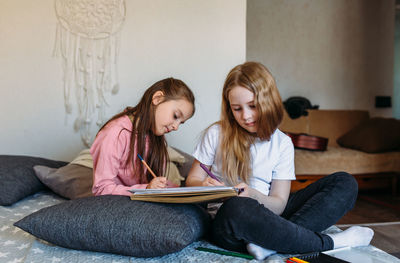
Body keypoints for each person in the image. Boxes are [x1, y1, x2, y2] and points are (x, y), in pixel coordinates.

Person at [186, 62, 374, 260]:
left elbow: (278, 205)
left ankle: (271, 245)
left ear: (268, 101)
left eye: (252, 106)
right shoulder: (216, 133)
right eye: (237, 109)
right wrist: (204, 186)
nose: (246, 116)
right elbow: (192, 180)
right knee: (237, 206)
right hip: (231, 223)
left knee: (345, 183)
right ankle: (331, 242)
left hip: (270, 214)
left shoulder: (282, 143)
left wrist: (253, 195)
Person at [91, 77, 195, 196]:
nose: (176, 127)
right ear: (157, 98)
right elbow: (101, 189)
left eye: (181, 123)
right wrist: (146, 189)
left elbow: (154, 183)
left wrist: (178, 190)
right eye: (176, 116)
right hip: (115, 204)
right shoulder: (115, 133)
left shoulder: (155, 137)